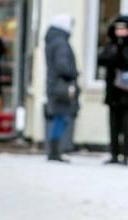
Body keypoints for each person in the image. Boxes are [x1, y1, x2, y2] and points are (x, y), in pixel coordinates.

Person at [98, 15, 128, 165]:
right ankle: (114, 154)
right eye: (118, 28)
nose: (121, 31)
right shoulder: (110, 45)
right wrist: (116, 49)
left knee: (127, 126)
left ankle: (126, 155)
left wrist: (119, 50)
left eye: (124, 28)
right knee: (113, 126)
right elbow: (102, 60)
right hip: (113, 93)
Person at [44, 14, 80, 163]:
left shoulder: (53, 40)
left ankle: (54, 150)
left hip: (55, 85)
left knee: (59, 117)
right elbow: (63, 66)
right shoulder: (61, 43)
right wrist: (74, 73)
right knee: (62, 118)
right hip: (62, 86)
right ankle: (55, 151)